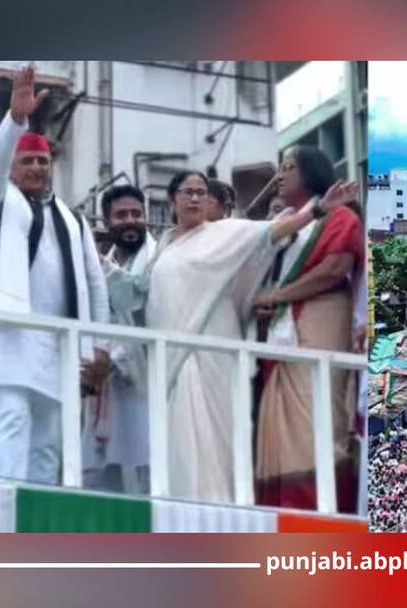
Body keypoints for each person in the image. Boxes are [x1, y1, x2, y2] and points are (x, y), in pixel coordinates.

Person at [133, 169, 358, 502]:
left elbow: (271, 232)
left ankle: (222, 512)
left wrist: (318, 210)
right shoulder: (163, 246)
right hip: (172, 359)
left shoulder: (223, 233)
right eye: (187, 192)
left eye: (201, 191)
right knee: (178, 439)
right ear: (172, 201)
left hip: (216, 352)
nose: (195, 198)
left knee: (219, 438)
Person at [0, 65, 109, 485]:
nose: (37, 168)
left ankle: (37, 533)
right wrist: (15, 119)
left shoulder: (75, 220)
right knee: (9, 429)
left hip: (61, 349)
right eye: (28, 160)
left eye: (43, 161)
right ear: (12, 167)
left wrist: (100, 348)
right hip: (12, 343)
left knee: (51, 446)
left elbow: (95, 286)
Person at [253, 146, 365, 512]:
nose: (280, 175)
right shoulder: (285, 222)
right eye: (279, 167)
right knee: (283, 431)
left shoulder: (339, 216)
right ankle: (284, 510)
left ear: (312, 172)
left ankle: (321, 509)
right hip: (282, 331)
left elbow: (335, 268)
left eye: (288, 167)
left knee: (316, 421)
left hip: (320, 320)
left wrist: (279, 295)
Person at [81, 185, 156, 493]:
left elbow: (142, 307)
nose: (130, 221)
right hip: (103, 381)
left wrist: (114, 357)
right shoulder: (101, 264)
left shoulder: (158, 258)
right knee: (99, 473)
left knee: (144, 472)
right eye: (121, 215)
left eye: (137, 214)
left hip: (142, 380)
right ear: (108, 221)